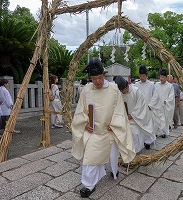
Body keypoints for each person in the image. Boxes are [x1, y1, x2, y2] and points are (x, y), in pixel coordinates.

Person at [71, 58, 135, 198]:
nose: (97, 82)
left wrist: (115, 125)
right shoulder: (87, 90)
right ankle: (88, 185)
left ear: (103, 75)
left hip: (109, 130)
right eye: (94, 79)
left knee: (112, 158)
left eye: (99, 78)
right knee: (90, 157)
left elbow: (119, 110)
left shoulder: (113, 89)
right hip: (94, 132)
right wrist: (84, 123)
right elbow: (80, 111)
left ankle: (114, 171)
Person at [114, 76, 155, 153]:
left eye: (123, 90)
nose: (122, 92)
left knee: (136, 134)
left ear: (127, 86)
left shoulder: (136, 92)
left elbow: (141, 107)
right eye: (120, 90)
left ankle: (135, 152)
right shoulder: (120, 93)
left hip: (137, 119)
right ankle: (129, 151)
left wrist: (132, 115)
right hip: (126, 118)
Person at [135, 65, 165, 149]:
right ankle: (141, 141)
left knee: (148, 125)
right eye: (140, 76)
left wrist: (151, 105)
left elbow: (155, 96)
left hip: (148, 108)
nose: (142, 77)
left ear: (146, 75)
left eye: (143, 76)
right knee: (140, 125)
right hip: (139, 109)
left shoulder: (151, 85)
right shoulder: (136, 85)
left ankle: (148, 141)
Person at [155, 69, 175, 137]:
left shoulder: (170, 86)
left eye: (163, 77)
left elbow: (171, 96)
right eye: (160, 77)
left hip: (165, 106)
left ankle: (164, 132)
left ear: (166, 78)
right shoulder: (156, 85)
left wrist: (167, 101)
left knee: (164, 120)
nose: (161, 78)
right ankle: (157, 132)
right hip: (157, 105)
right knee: (157, 119)